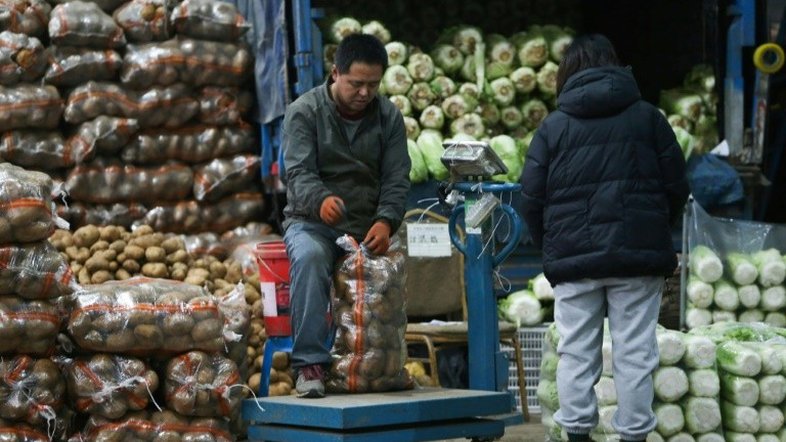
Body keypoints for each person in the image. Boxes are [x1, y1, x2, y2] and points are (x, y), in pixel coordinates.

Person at [520, 34, 689, 441]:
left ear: (566, 73)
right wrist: (653, 230)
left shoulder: (553, 127)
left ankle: (576, 434)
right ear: (615, 66)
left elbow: (529, 197)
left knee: (575, 350)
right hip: (638, 258)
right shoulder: (649, 117)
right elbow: (677, 185)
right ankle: (633, 436)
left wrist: (554, 245)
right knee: (635, 352)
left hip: (574, 258)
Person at [280, 33, 411, 398]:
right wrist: (320, 199)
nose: (365, 93)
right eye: (356, 84)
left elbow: (397, 176)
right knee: (308, 258)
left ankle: (382, 367)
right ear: (335, 73)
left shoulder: (388, 116)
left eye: (373, 84)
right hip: (314, 222)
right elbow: (298, 173)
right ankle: (309, 366)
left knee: (391, 275)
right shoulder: (304, 112)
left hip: (369, 226)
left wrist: (386, 220)